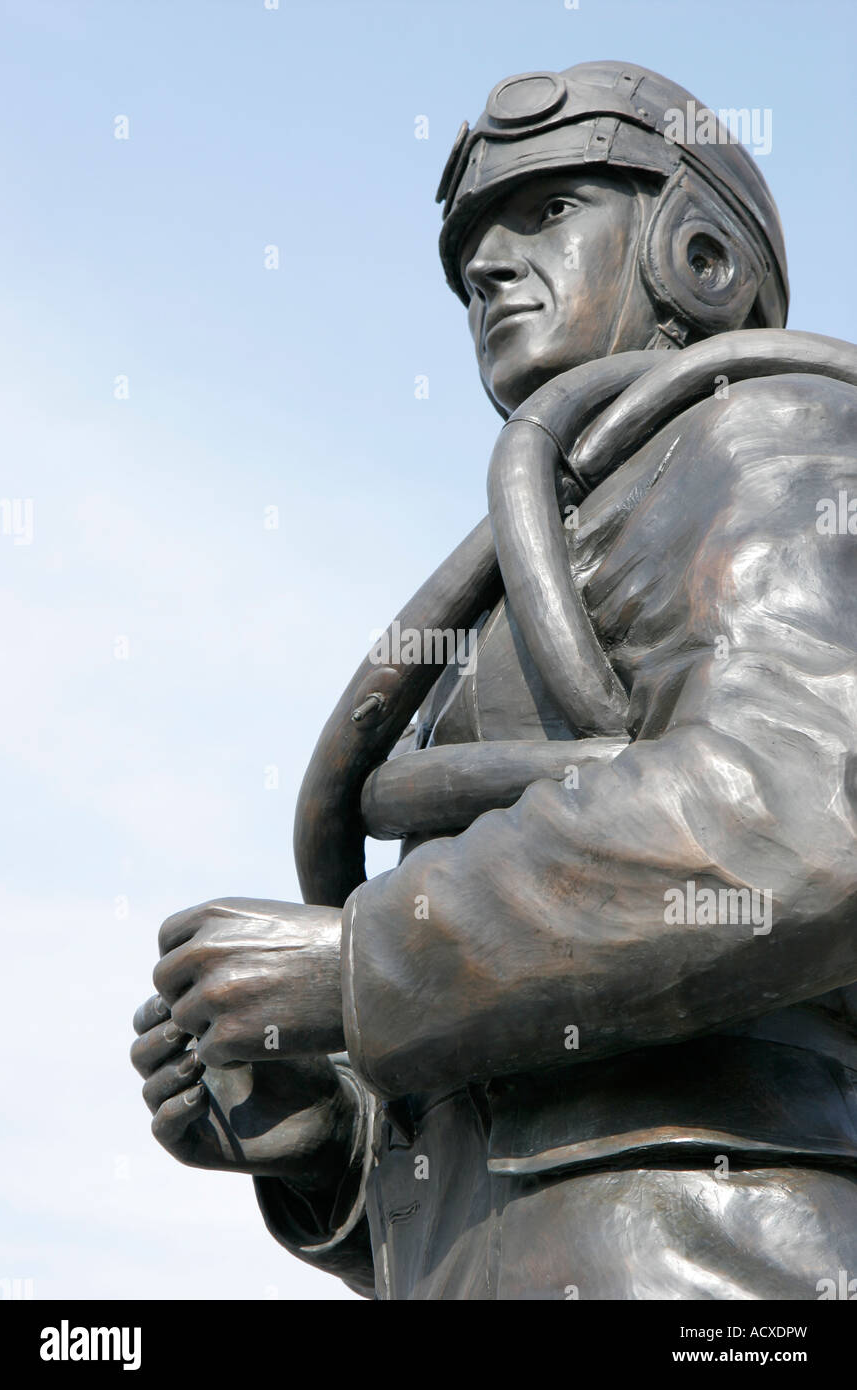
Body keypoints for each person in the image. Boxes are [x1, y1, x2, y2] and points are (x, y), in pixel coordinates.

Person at [131, 62, 857, 1300]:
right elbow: (502, 1168)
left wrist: (358, 964)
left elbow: (797, 813)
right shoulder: (535, 566)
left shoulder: (769, 432)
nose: (487, 267)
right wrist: (327, 1135)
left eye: (550, 209)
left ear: (696, 252)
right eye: (471, 244)